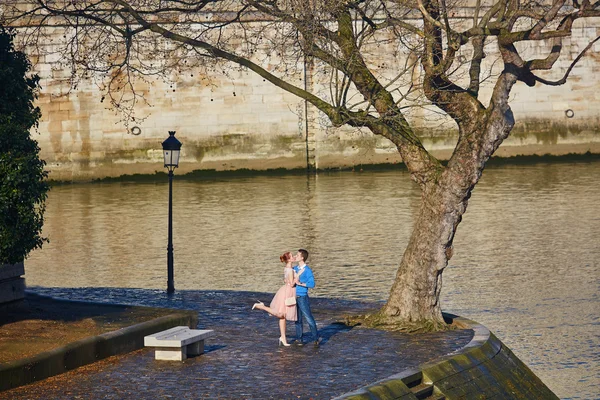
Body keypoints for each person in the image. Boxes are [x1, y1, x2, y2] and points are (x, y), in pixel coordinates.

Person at [251, 251, 298, 346]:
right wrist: (298, 277)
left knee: (283, 316)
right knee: (281, 314)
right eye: (292, 256)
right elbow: (292, 283)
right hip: (288, 291)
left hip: (285, 290)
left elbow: (286, 280)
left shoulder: (288, 268)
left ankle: (283, 338)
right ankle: (262, 307)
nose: (294, 257)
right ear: (288, 259)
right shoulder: (290, 269)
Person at [293, 248, 320, 346]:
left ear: (302, 258)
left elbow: (312, 284)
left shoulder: (307, 270)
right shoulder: (294, 269)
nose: (295, 256)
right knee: (297, 319)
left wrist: (300, 283)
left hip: (302, 297)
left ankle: (316, 338)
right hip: (294, 297)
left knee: (308, 318)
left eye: (297, 255)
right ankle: (299, 339)